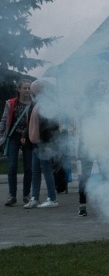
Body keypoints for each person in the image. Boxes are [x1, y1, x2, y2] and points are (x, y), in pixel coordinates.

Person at [24, 80, 62, 209]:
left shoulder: (47, 104)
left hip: (43, 142)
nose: (29, 91)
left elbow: (51, 125)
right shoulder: (36, 103)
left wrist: (44, 140)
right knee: (36, 171)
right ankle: (34, 197)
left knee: (46, 170)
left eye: (31, 89)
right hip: (36, 142)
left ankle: (52, 198)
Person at [77, 80, 109, 217]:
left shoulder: (100, 104)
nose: (103, 90)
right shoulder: (92, 105)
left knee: (102, 174)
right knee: (89, 175)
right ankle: (83, 205)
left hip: (98, 142)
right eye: (100, 87)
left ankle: (103, 204)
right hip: (90, 142)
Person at [1, 79, 34, 207]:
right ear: (19, 89)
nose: (27, 90)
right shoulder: (11, 104)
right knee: (12, 166)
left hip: (28, 138)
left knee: (28, 167)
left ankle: (26, 194)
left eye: (29, 88)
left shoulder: (34, 103)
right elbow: (4, 121)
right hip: (13, 137)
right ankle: (12, 196)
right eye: (25, 88)